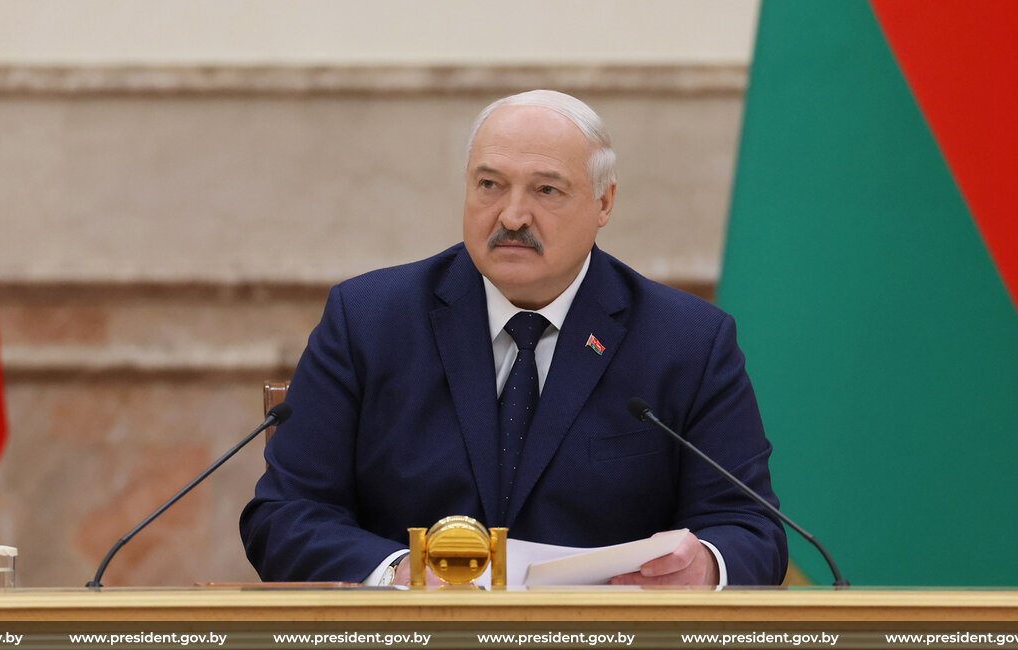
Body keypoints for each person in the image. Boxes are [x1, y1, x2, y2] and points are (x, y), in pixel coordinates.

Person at [240, 90, 787, 587]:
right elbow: (285, 516)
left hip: (605, 647)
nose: (513, 215)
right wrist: (400, 574)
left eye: (546, 190)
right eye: (490, 185)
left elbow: (750, 529)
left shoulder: (687, 341)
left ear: (604, 203)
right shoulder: (368, 320)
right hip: (409, 644)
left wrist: (704, 566)